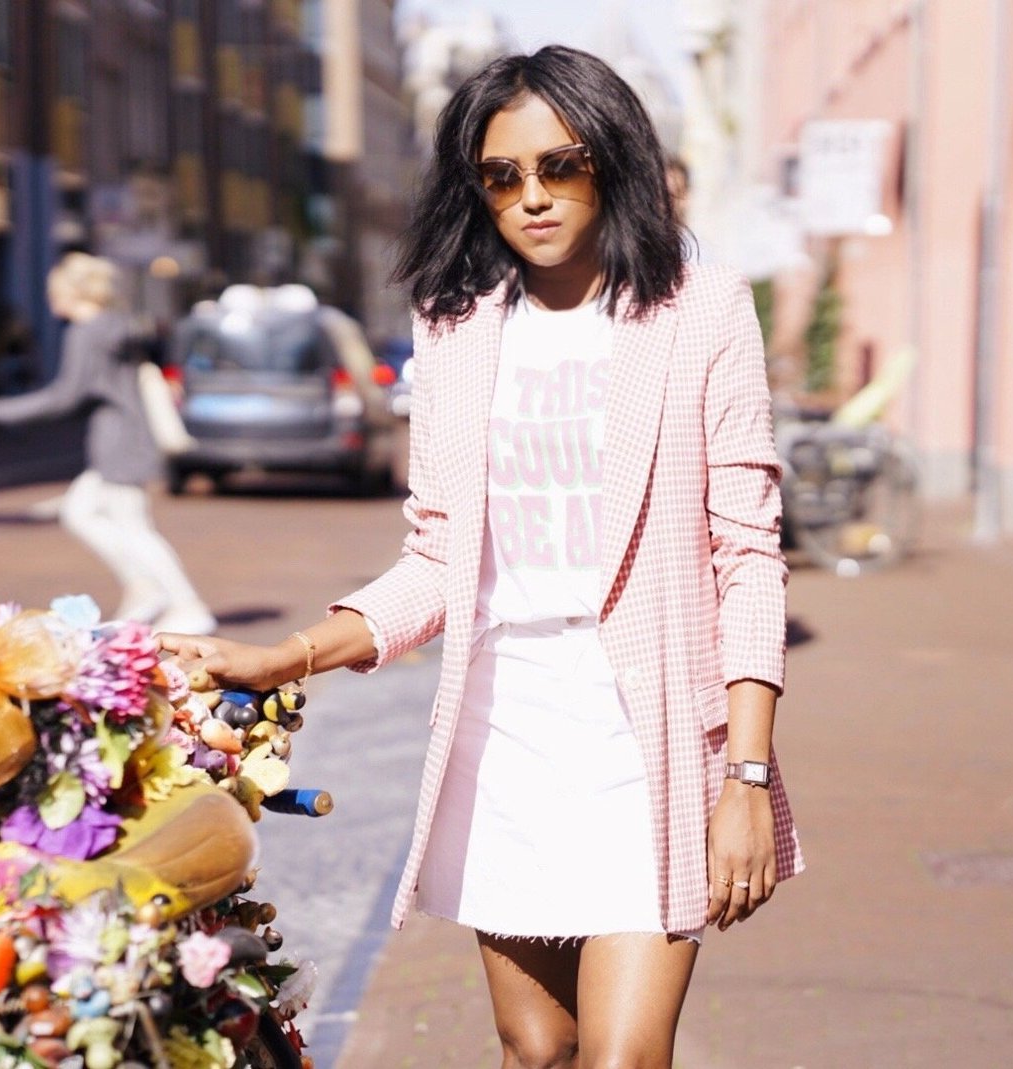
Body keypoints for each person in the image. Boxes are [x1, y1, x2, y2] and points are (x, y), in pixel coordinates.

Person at [159, 46, 801, 1067]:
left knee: (623, 1056)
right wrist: (282, 656)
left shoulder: (697, 311)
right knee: (535, 1044)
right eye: (500, 177)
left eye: (560, 165)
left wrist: (749, 776)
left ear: (613, 162)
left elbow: (747, 554)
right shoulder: (456, 327)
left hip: (650, 735)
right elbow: (438, 559)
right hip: (511, 731)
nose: (531, 197)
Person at [0, 252, 217, 635]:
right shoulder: (112, 325)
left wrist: (5, 410)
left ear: (72, 291)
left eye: (53, 290)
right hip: (124, 435)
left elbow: (67, 395)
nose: (50, 298)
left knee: (134, 527)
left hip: (119, 441)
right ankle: (144, 588)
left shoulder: (86, 332)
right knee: (80, 510)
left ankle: (186, 603)